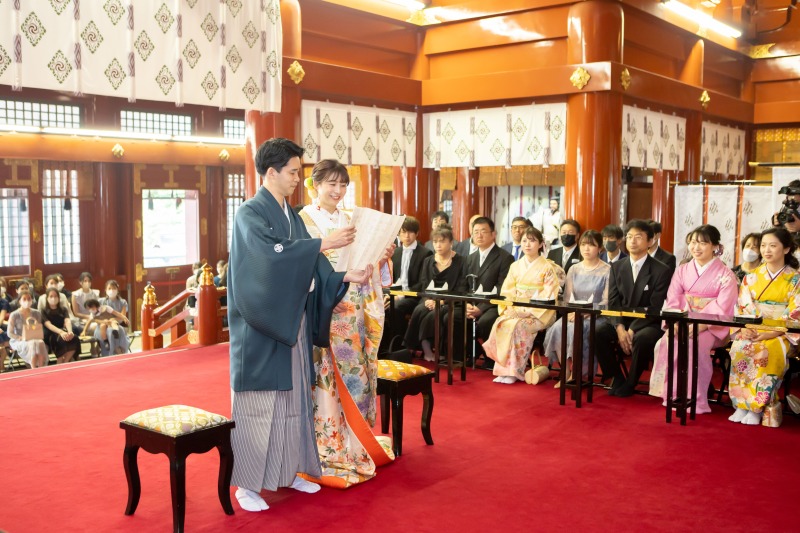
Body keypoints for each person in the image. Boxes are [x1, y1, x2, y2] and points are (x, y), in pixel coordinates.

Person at [227, 138, 372, 512]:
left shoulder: (290, 215)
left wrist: (344, 276)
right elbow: (265, 259)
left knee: (294, 402)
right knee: (260, 405)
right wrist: (322, 243)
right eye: (293, 172)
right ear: (271, 172)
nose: (297, 179)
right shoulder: (250, 214)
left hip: (293, 320)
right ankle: (246, 484)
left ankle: (288, 470)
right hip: (262, 325)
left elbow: (315, 265)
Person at [299, 159, 394, 487]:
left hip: (356, 306)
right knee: (328, 373)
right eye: (331, 184)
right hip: (327, 308)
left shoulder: (352, 217)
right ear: (315, 185)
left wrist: (382, 256)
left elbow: (371, 266)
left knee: (361, 373)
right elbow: (305, 266)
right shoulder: (304, 220)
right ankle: (330, 444)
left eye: (342, 185)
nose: (337, 192)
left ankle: (359, 440)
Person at [648, 225, 739, 414]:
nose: (696, 247)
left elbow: (725, 305)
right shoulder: (682, 270)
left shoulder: (725, 275)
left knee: (693, 345)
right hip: (683, 321)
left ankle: (696, 398)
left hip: (712, 326)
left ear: (715, 246)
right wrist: (677, 323)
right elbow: (673, 299)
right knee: (668, 341)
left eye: (703, 243)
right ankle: (672, 393)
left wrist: (701, 325)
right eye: (692, 242)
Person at [728, 228, 800, 425]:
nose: (766, 250)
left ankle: (757, 407)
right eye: (763, 246)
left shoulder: (796, 279)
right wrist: (745, 328)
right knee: (739, 347)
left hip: (782, 333)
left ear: (786, 249)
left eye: (773, 245)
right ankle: (741, 405)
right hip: (754, 328)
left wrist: (772, 333)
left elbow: (795, 312)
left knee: (765, 351)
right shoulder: (751, 277)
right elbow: (743, 306)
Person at [595, 219, 672, 397]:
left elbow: (655, 306)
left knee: (643, 338)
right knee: (598, 331)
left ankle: (631, 382)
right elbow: (613, 302)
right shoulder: (617, 267)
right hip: (622, 319)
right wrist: (620, 327)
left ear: (650, 241)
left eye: (638, 237)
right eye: (629, 237)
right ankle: (616, 376)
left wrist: (632, 330)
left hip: (648, 322)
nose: (632, 241)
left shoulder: (661, 270)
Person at [483, 226, 565, 383]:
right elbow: (507, 290)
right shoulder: (515, 266)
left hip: (539, 312)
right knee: (501, 323)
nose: (527, 244)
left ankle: (515, 371)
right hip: (516, 309)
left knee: (518, 327)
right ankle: (503, 369)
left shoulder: (547, 267)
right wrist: (511, 308)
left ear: (541, 244)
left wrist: (528, 311)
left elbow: (549, 294)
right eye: (524, 241)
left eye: (532, 241)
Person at [543, 230, 610, 385]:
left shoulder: (607, 270)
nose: (586, 249)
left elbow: (606, 301)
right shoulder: (574, 269)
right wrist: (573, 312)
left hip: (596, 315)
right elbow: (567, 298)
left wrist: (586, 313)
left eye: (591, 245)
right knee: (557, 328)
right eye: (583, 245)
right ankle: (565, 370)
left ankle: (579, 373)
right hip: (574, 313)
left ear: (600, 248)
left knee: (577, 329)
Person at [404, 225, 467, 361]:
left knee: (432, 315)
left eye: (442, 241)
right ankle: (411, 347)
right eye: (435, 241)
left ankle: (430, 349)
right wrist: (427, 299)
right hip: (429, 299)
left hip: (450, 301)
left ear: (451, 243)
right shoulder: (428, 261)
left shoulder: (461, 261)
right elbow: (424, 284)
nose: (438, 245)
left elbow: (461, 288)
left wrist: (442, 301)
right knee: (419, 310)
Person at [462, 216, 514, 369]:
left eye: (483, 231)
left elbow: (502, 288)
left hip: (493, 304)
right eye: (475, 232)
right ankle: (468, 353)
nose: (479, 235)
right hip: (471, 304)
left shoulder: (505, 258)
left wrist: (481, 308)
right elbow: (463, 286)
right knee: (452, 316)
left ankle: (490, 357)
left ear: (493, 234)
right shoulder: (469, 258)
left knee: (486, 321)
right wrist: (467, 306)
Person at [384, 216, 432, 343]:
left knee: (396, 307)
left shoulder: (425, 253)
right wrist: (391, 293)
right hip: (396, 294)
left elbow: (423, 282)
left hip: (414, 296)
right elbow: (390, 277)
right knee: (380, 305)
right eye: (403, 232)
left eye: (410, 232)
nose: (407, 236)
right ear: (399, 234)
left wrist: (402, 295)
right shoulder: (396, 252)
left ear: (416, 233)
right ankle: (386, 344)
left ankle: (401, 343)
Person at [7, 290, 48, 368]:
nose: (27, 301)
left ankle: (41, 366)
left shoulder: (37, 313)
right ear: (19, 301)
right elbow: (10, 333)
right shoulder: (14, 315)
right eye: (24, 299)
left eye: (29, 299)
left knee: (40, 342)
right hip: (19, 339)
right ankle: (33, 368)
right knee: (32, 344)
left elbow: (37, 328)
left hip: (34, 337)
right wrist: (20, 338)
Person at [41, 287, 81, 364]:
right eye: (51, 296)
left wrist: (70, 331)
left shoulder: (63, 309)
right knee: (61, 340)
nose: (53, 298)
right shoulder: (43, 310)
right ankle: (59, 361)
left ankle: (65, 362)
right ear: (47, 298)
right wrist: (61, 332)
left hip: (63, 331)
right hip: (50, 334)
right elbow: (48, 325)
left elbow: (67, 321)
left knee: (74, 338)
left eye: (55, 296)